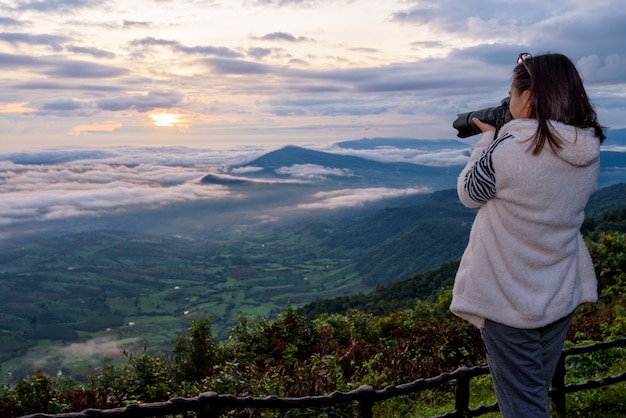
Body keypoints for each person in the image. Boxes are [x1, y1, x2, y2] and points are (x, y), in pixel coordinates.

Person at [450, 52, 606, 417]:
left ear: (530, 95)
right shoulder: (587, 150)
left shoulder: (512, 149)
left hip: (509, 297)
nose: (508, 101)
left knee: (523, 407)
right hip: (559, 291)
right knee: (534, 389)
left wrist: (486, 140)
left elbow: (469, 193)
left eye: (511, 93)